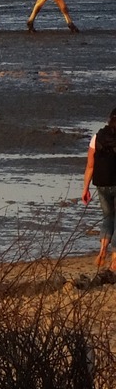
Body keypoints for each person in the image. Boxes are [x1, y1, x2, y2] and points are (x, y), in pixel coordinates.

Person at [82, 107, 116, 271]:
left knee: (108, 217)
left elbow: (90, 166)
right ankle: (115, 257)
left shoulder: (97, 137)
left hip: (101, 183)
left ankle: (102, 250)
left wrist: (85, 188)